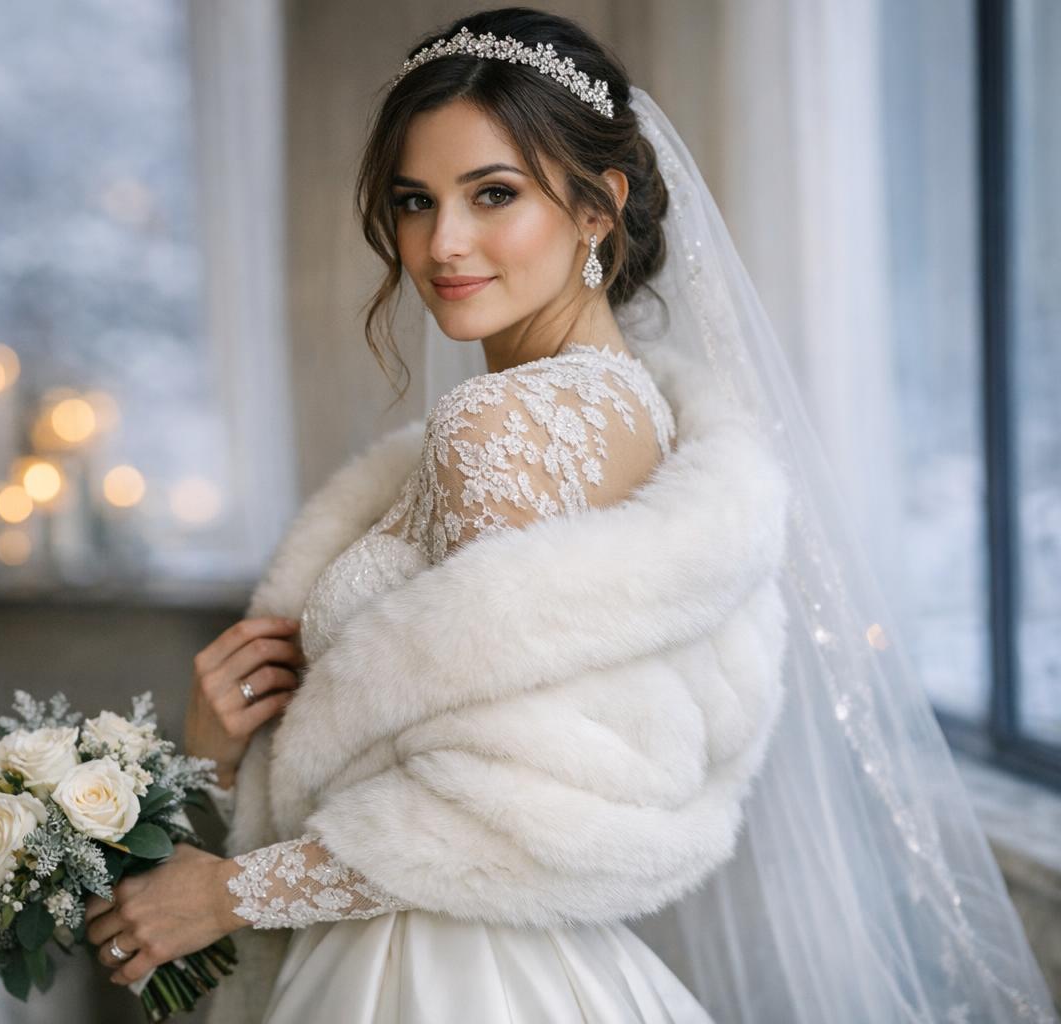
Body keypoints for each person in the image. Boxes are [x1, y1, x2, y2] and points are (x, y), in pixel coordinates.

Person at [82, 8, 1060, 1023]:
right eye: (415, 201)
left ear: (599, 207)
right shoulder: (639, 417)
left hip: (440, 974)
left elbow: (504, 811)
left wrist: (229, 893)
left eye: (493, 194)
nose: (442, 243)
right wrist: (222, 750)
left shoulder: (501, 427)